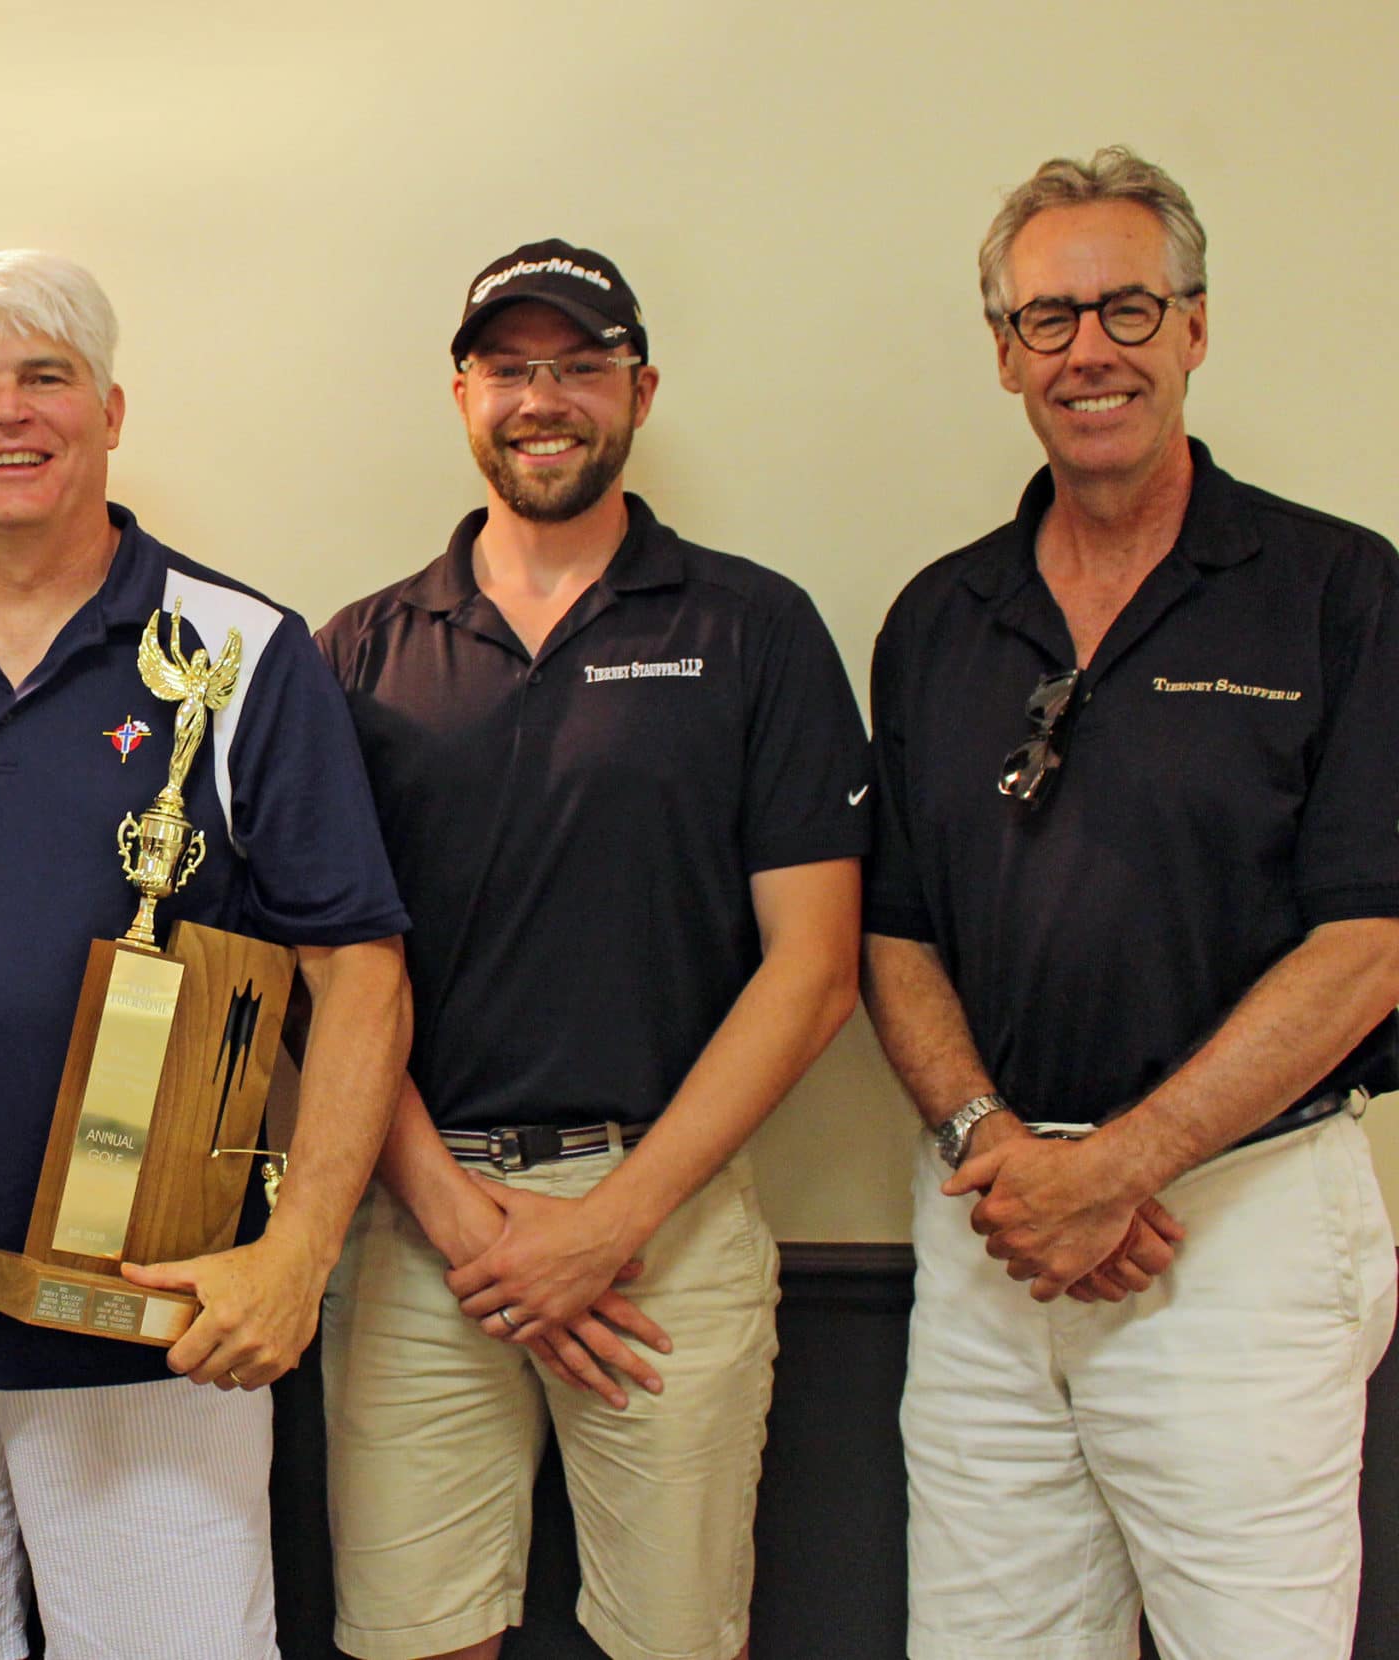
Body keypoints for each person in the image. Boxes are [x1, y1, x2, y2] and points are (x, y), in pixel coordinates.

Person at [0, 249, 412, 1660]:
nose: (8, 412)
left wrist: (299, 1255)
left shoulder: (240, 652)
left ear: (109, 409)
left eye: (45, 377)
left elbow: (359, 976)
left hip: (159, 1327)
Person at [862, 147, 1399, 1659]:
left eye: (1128, 309)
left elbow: (1370, 946)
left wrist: (1125, 1167)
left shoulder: (1336, 592)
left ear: (1196, 329)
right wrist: (997, 1148)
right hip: (990, 1230)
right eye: (1048, 319)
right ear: (1004, 353)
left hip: (1238, 1229)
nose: (1089, 349)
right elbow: (894, 934)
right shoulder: (940, 618)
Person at [313, 240, 866, 1660]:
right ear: (462, 394)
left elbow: (812, 970)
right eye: (511, 367)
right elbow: (325, 980)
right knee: (413, 1641)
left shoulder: (754, 628)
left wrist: (611, 1224)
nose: (542, 398)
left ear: (641, 389)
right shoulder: (359, 654)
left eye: (579, 366)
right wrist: (456, 1220)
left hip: (665, 1233)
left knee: (674, 1641)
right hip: (417, 1224)